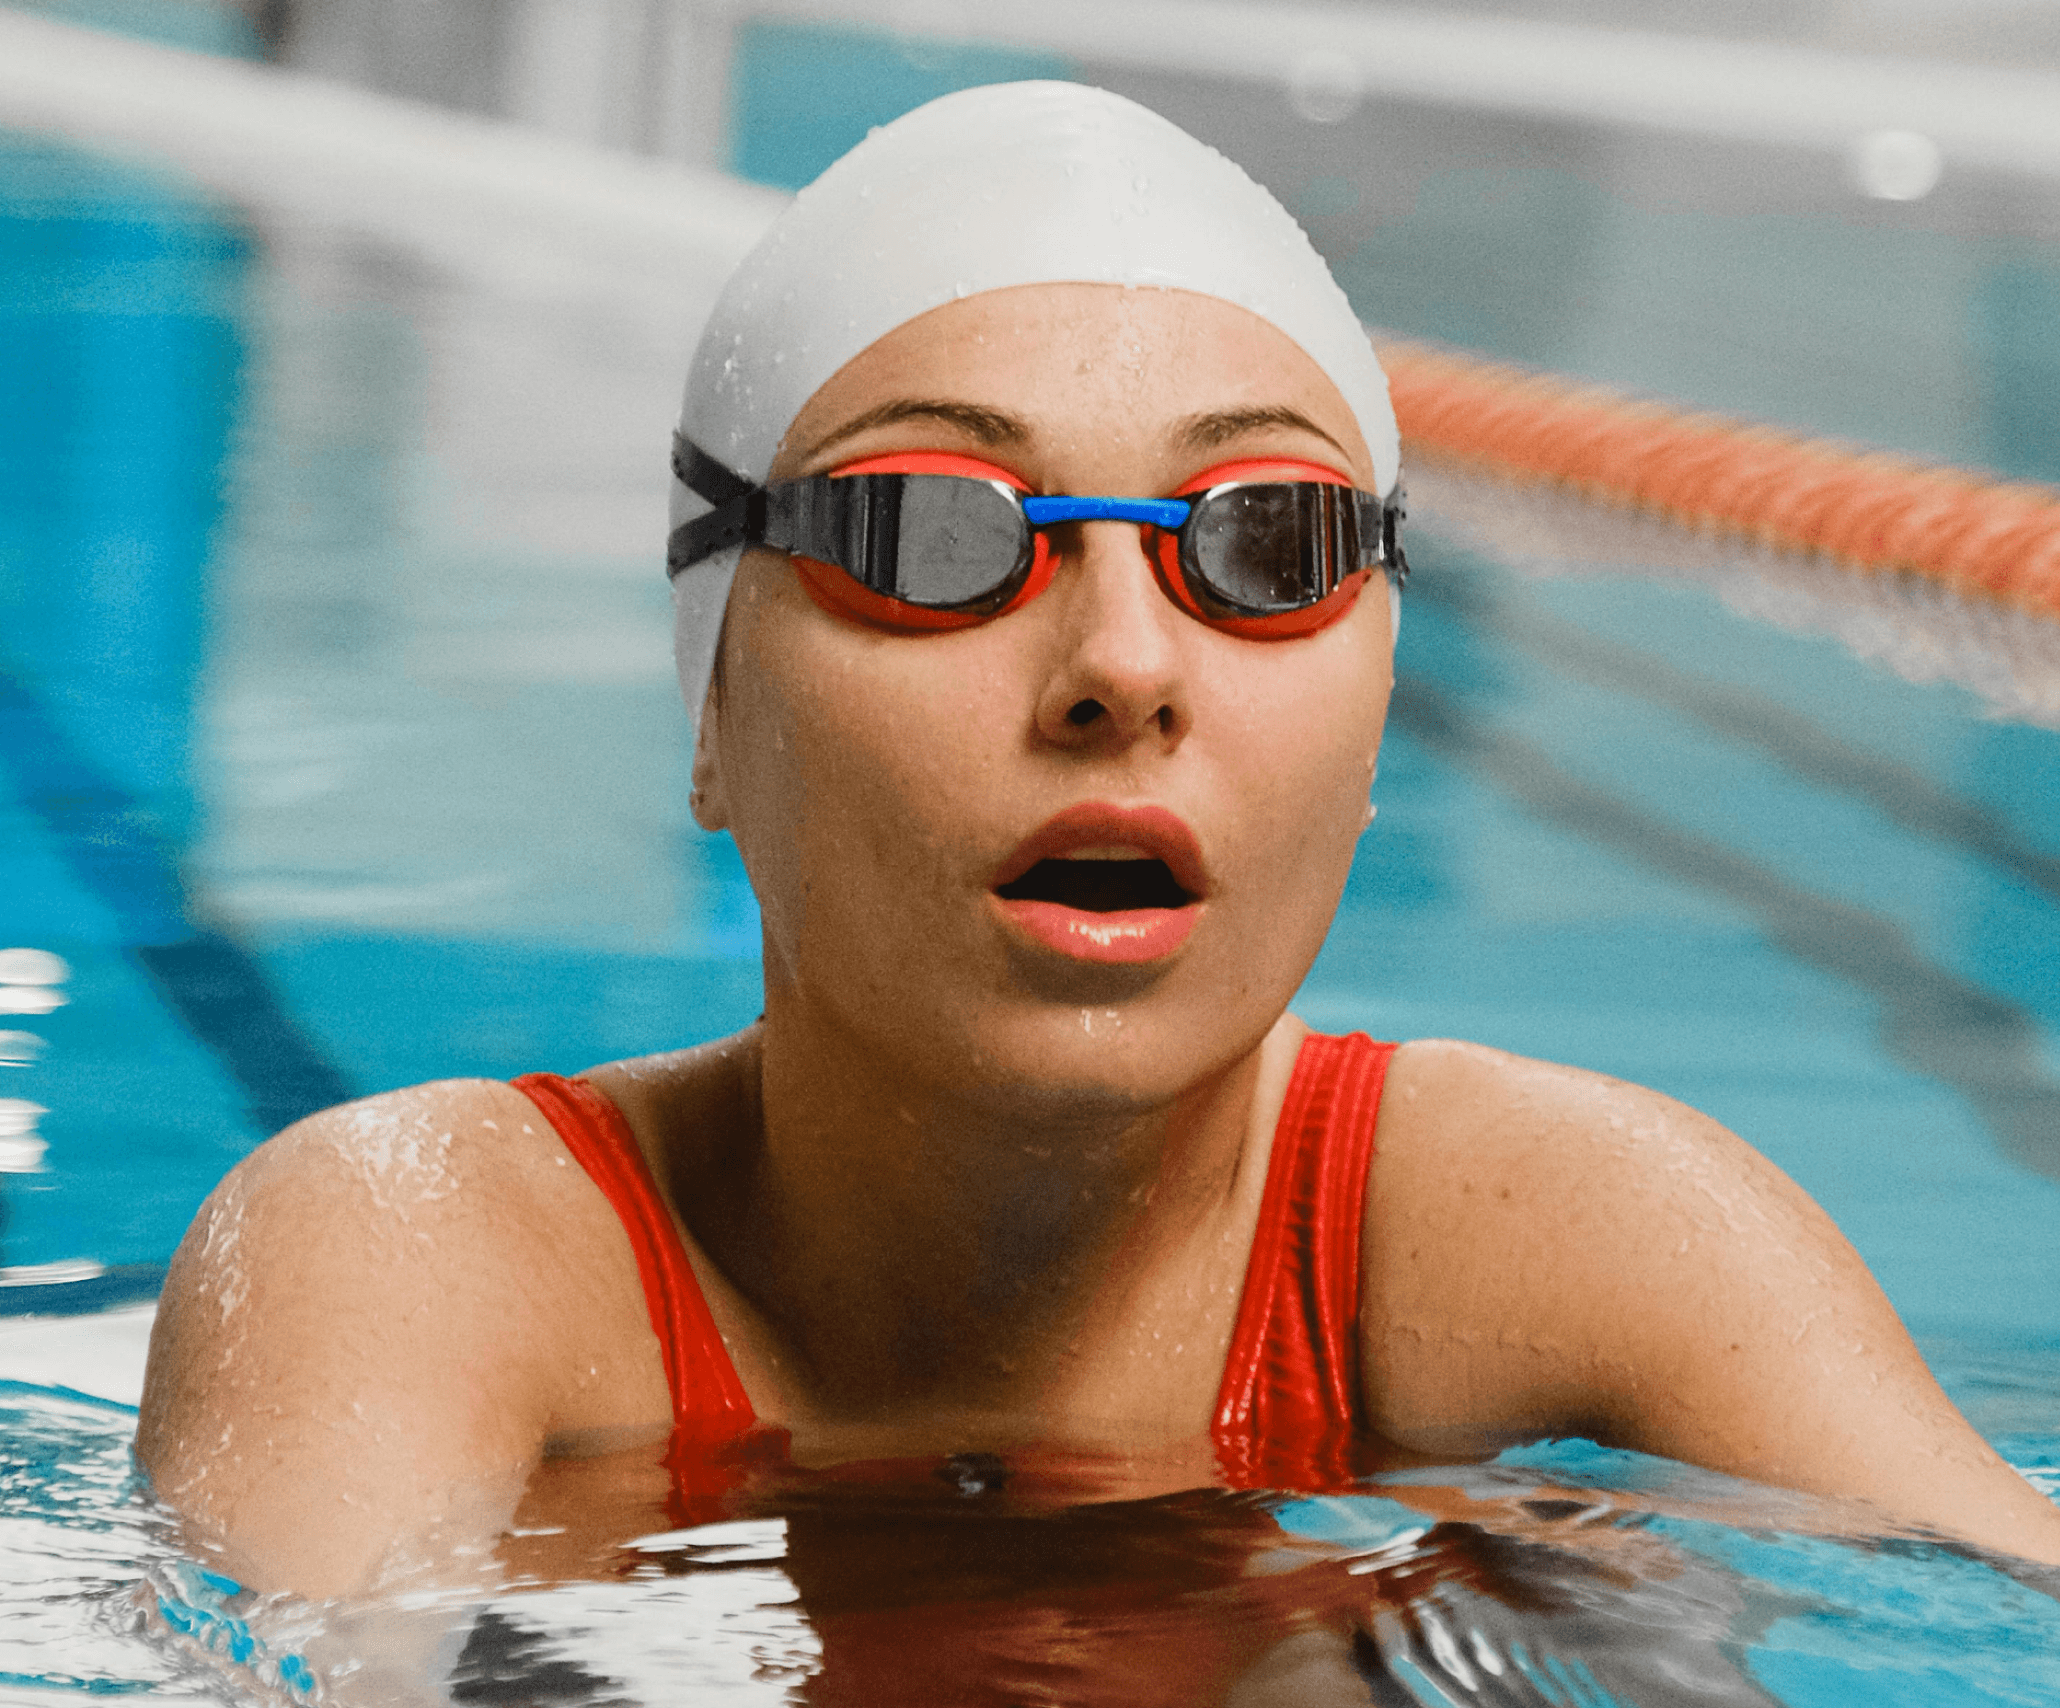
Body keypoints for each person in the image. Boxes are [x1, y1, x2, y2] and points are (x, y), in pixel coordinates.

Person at [136, 82, 2060, 1616]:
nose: (1125, 670)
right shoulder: (426, 1258)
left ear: (1387, 719)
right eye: (931, 534)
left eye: (1269, 545)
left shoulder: (1597, 1245)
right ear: (711, 713)